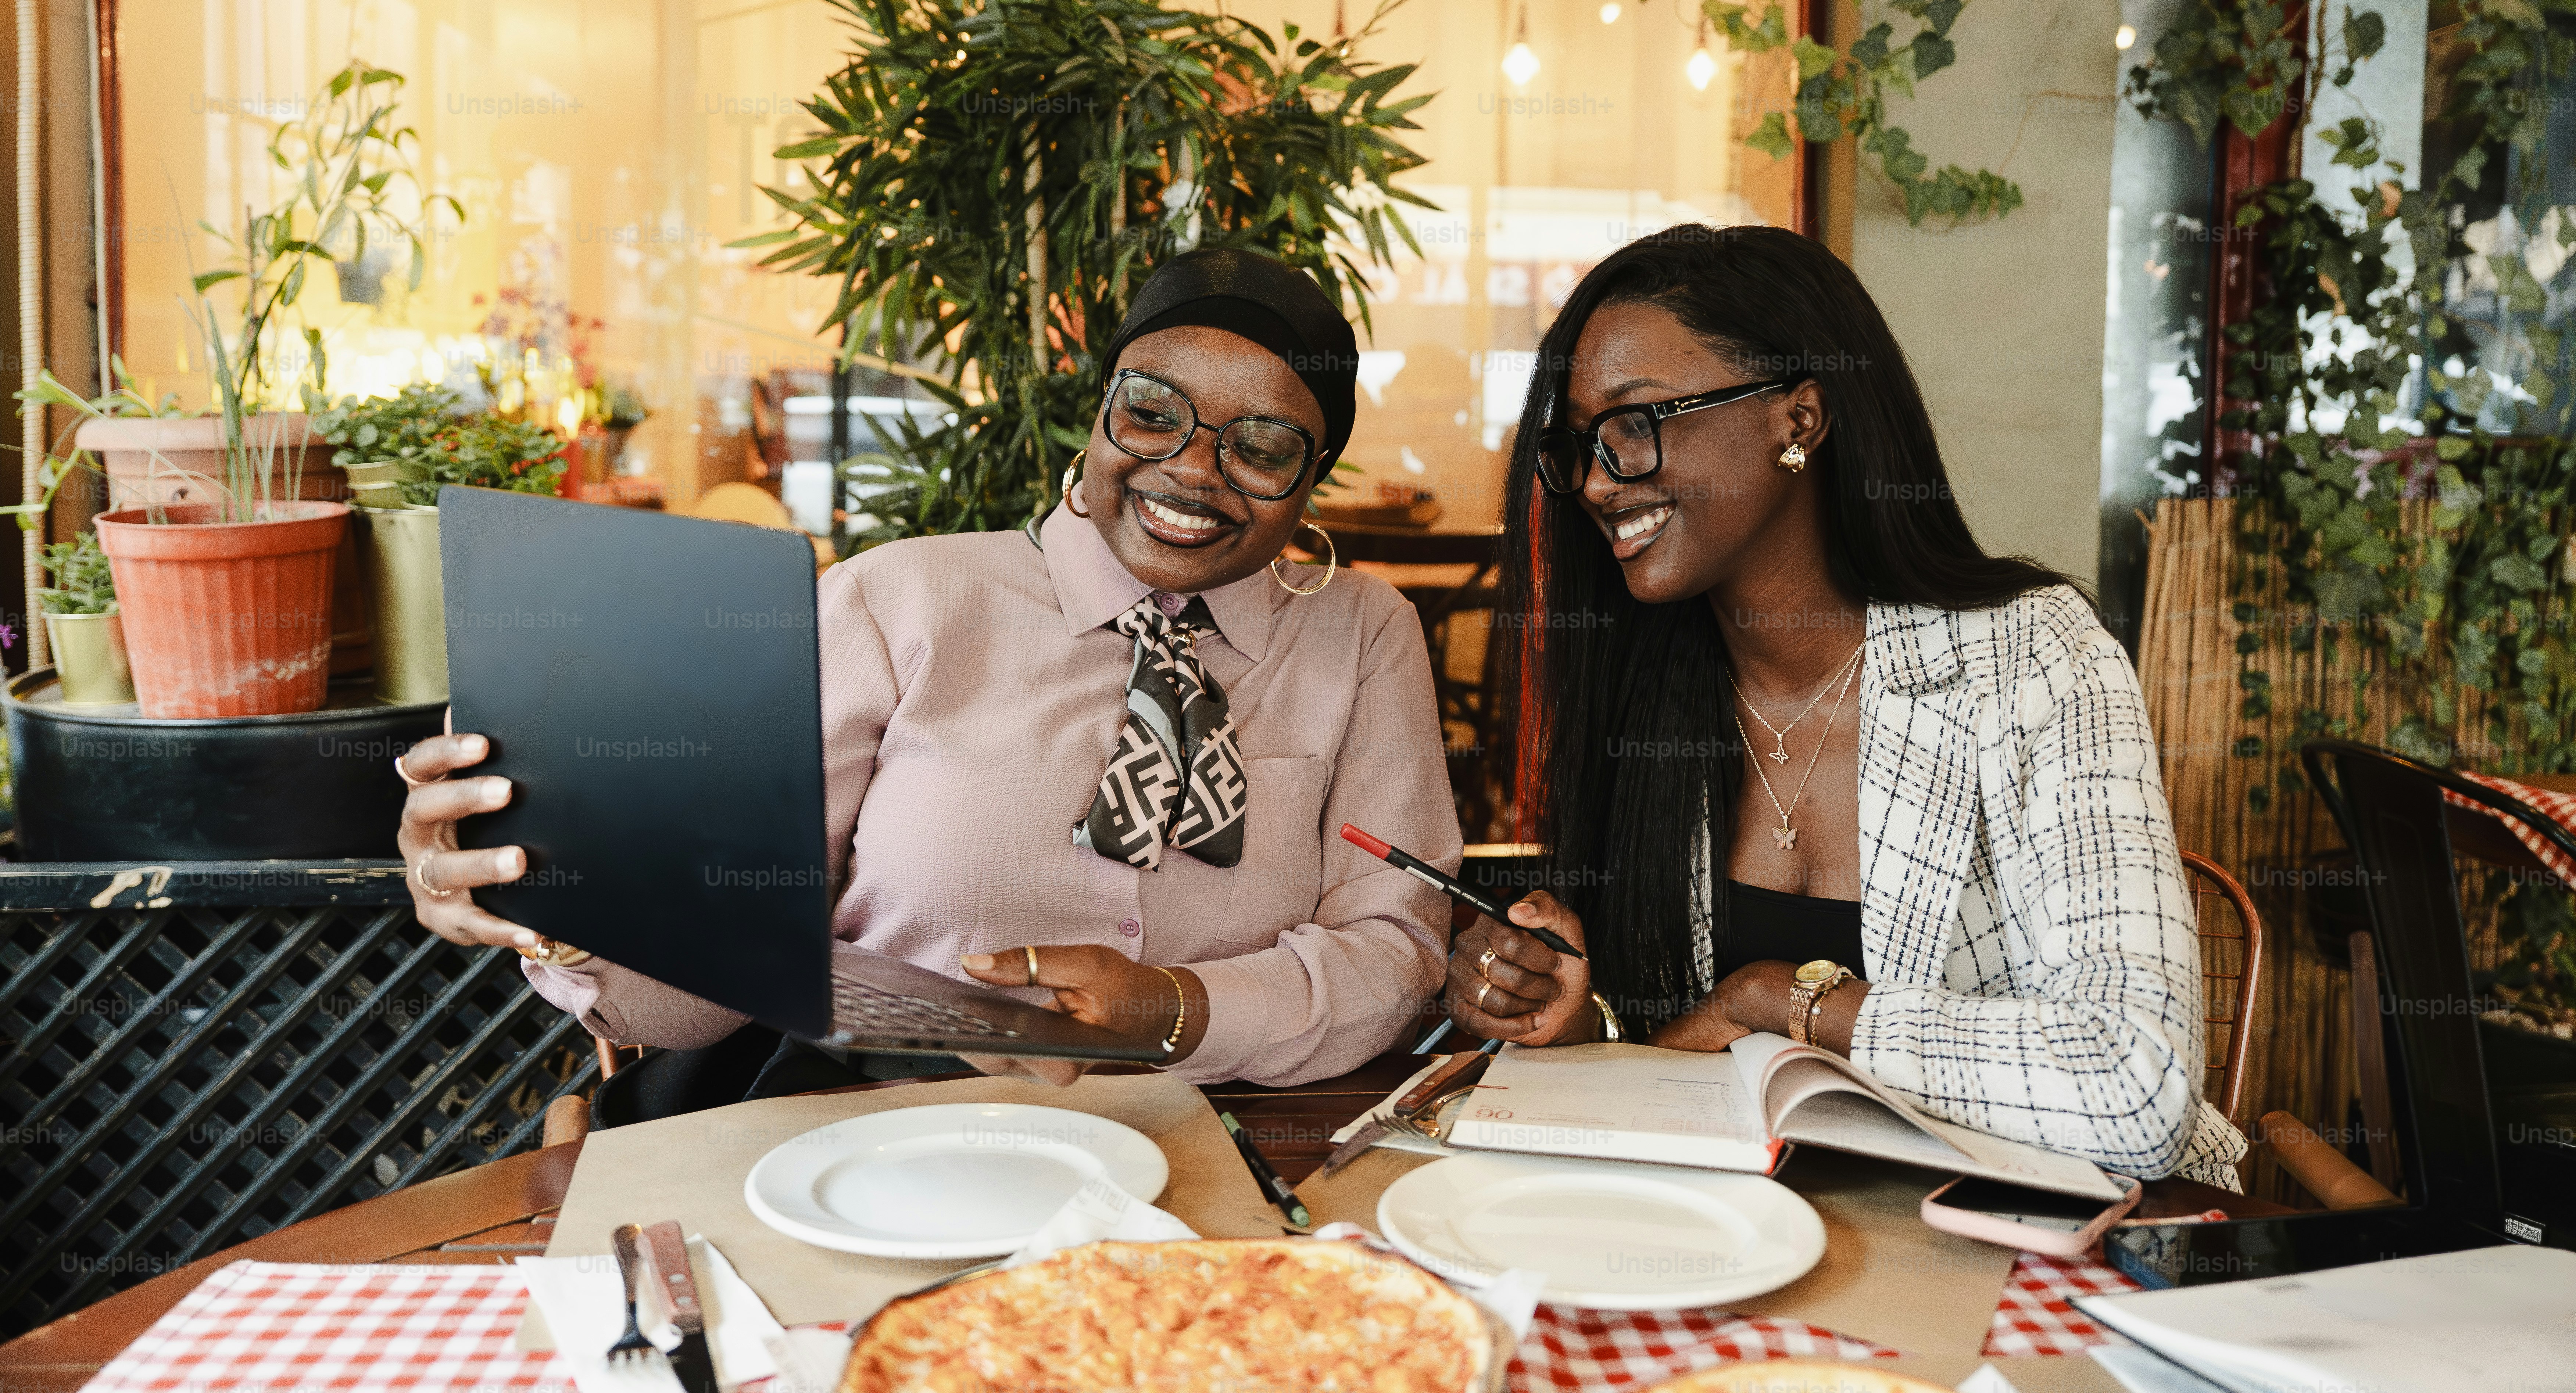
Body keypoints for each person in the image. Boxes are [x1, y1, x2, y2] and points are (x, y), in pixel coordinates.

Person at [395, 247, 1459, 1110]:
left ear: (1310, 484)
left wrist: (1178, 1009)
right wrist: (565, 899)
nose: (1190, 469)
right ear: (1098, 414)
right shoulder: (894, 603)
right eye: (1151, 411)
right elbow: (706, 990)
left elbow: (1395, 951)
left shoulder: (1364, 636)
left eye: (1263, 447)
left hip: (1231, 1137)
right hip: (874, 1133)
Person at [1447, 225, 2246, 1187]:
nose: (1592, 480)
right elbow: (1689, 1073)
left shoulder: (2033, 660)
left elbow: (2138, 1087)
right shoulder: (1651, 689)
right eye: (1577, 445)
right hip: (1767, 1242)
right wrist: (1584, 1026)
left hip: (2051, 1254)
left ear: (1800, 420)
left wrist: (1782, 1000)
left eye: (1636, 422)